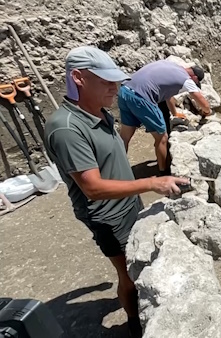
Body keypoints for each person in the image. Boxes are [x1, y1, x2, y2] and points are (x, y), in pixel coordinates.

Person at [44, 46, 189, 338]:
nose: (116, 87)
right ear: (78, 78)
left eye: (116, 80)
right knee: (129, 275)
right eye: (106, 81)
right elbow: (93, 188)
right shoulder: (67, 129)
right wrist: (152, 183)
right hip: (108, 216)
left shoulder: (98, 111)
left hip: (127, 203)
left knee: (142, 262)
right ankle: (136, 324)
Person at [118, 60, 211, 177]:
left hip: (125, 90)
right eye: (196, 82)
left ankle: (116, 170)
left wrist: (175, 113)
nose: (194, 83)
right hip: (141, 97)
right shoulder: (187, 79)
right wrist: (207, 112)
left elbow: (168, 95)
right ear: (193, 77)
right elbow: (203, 102)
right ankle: (163, 173)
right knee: (162, 137)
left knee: (125, 137)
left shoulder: (172, 66)